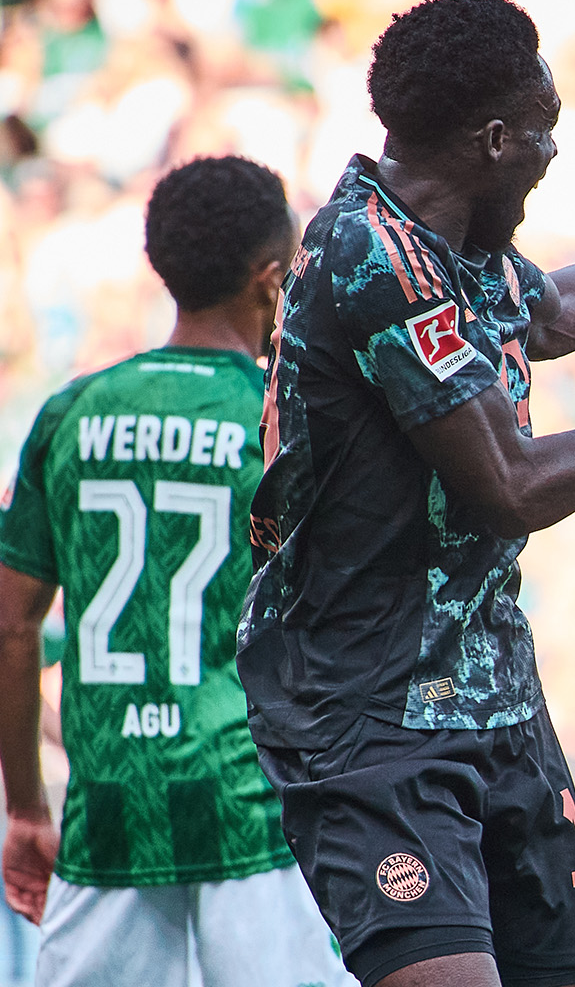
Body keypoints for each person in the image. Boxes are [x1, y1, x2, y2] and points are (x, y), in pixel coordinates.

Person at [237, 0, 575, 987]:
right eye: (545, 135)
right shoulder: (373, 256)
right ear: (495, 141)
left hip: (496, 701)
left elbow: (553, 311)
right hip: (369, 716)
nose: (552, 156)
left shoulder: (455, 239)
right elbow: (510, 485)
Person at [0, 156, 351, 987]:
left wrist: (24, 803)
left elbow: (12, 625)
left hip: (109, 811)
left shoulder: (72, 412)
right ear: (273, 282)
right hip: (251, 812)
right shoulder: (279, 418)